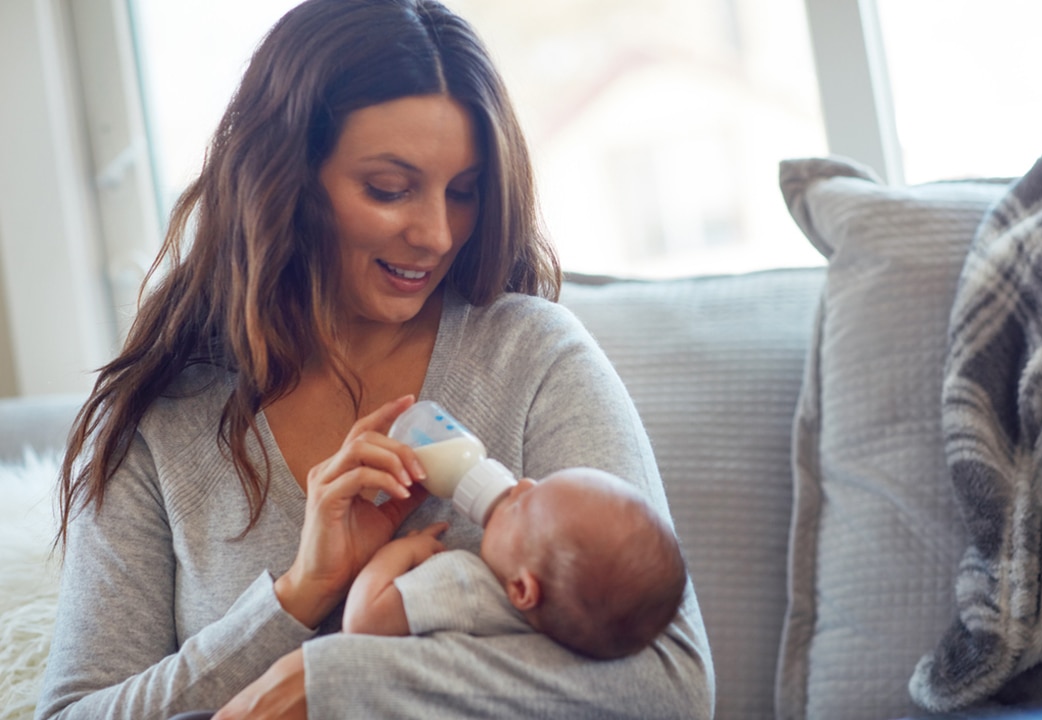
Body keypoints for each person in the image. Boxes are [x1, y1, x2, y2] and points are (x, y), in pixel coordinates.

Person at [35, 1, 713, 718]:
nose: (437, 233)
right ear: (284, 180)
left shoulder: (532, 357)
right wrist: (299, 596)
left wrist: (327, 684)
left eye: (465, 192)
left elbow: (672, 686)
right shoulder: (160, 420)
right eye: (389, 190)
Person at [343, 466, 688, 661]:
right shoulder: (564, 640)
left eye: (523, 506)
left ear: (522, 589)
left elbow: (361, 621)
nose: (521, 483)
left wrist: (400, 550)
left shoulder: (467, 585)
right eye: (536, 484)